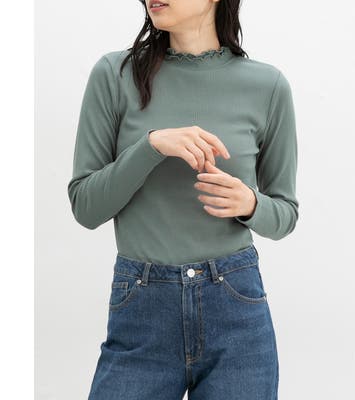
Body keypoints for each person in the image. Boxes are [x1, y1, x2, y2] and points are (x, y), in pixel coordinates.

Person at [67, 0, 299, 399]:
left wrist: (250, 204)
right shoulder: (115, 75)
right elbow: (85, 207)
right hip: (142, 307)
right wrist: (152, 146)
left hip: (236, 309)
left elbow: (286, 213)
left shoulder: (268, 86)